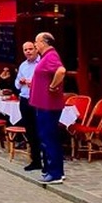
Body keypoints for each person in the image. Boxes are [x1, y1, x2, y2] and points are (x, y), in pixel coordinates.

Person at [31, 32, 67, 184]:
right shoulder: (46, 57)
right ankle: (57, 170)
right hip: (44, 104)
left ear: (44, 43)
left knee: (48, 137)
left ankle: (55, 173)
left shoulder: (51, 55)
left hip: (48, 105)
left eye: (36, 41)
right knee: (50, 137)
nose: (35, 44)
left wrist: (53, 87)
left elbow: (61, 71)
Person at [15, 41, 42, 172]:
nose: (28, 52)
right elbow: (16, 84)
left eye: (31, 49)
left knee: (40, 130)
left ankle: (46, 160)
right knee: (30, 131)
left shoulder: (41, 64)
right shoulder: (23, 66)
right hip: (25, 99)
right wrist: (20, 82)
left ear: (36, 49)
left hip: (38, 100)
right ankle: (35, 160)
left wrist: (35, 84)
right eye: (26, 50)